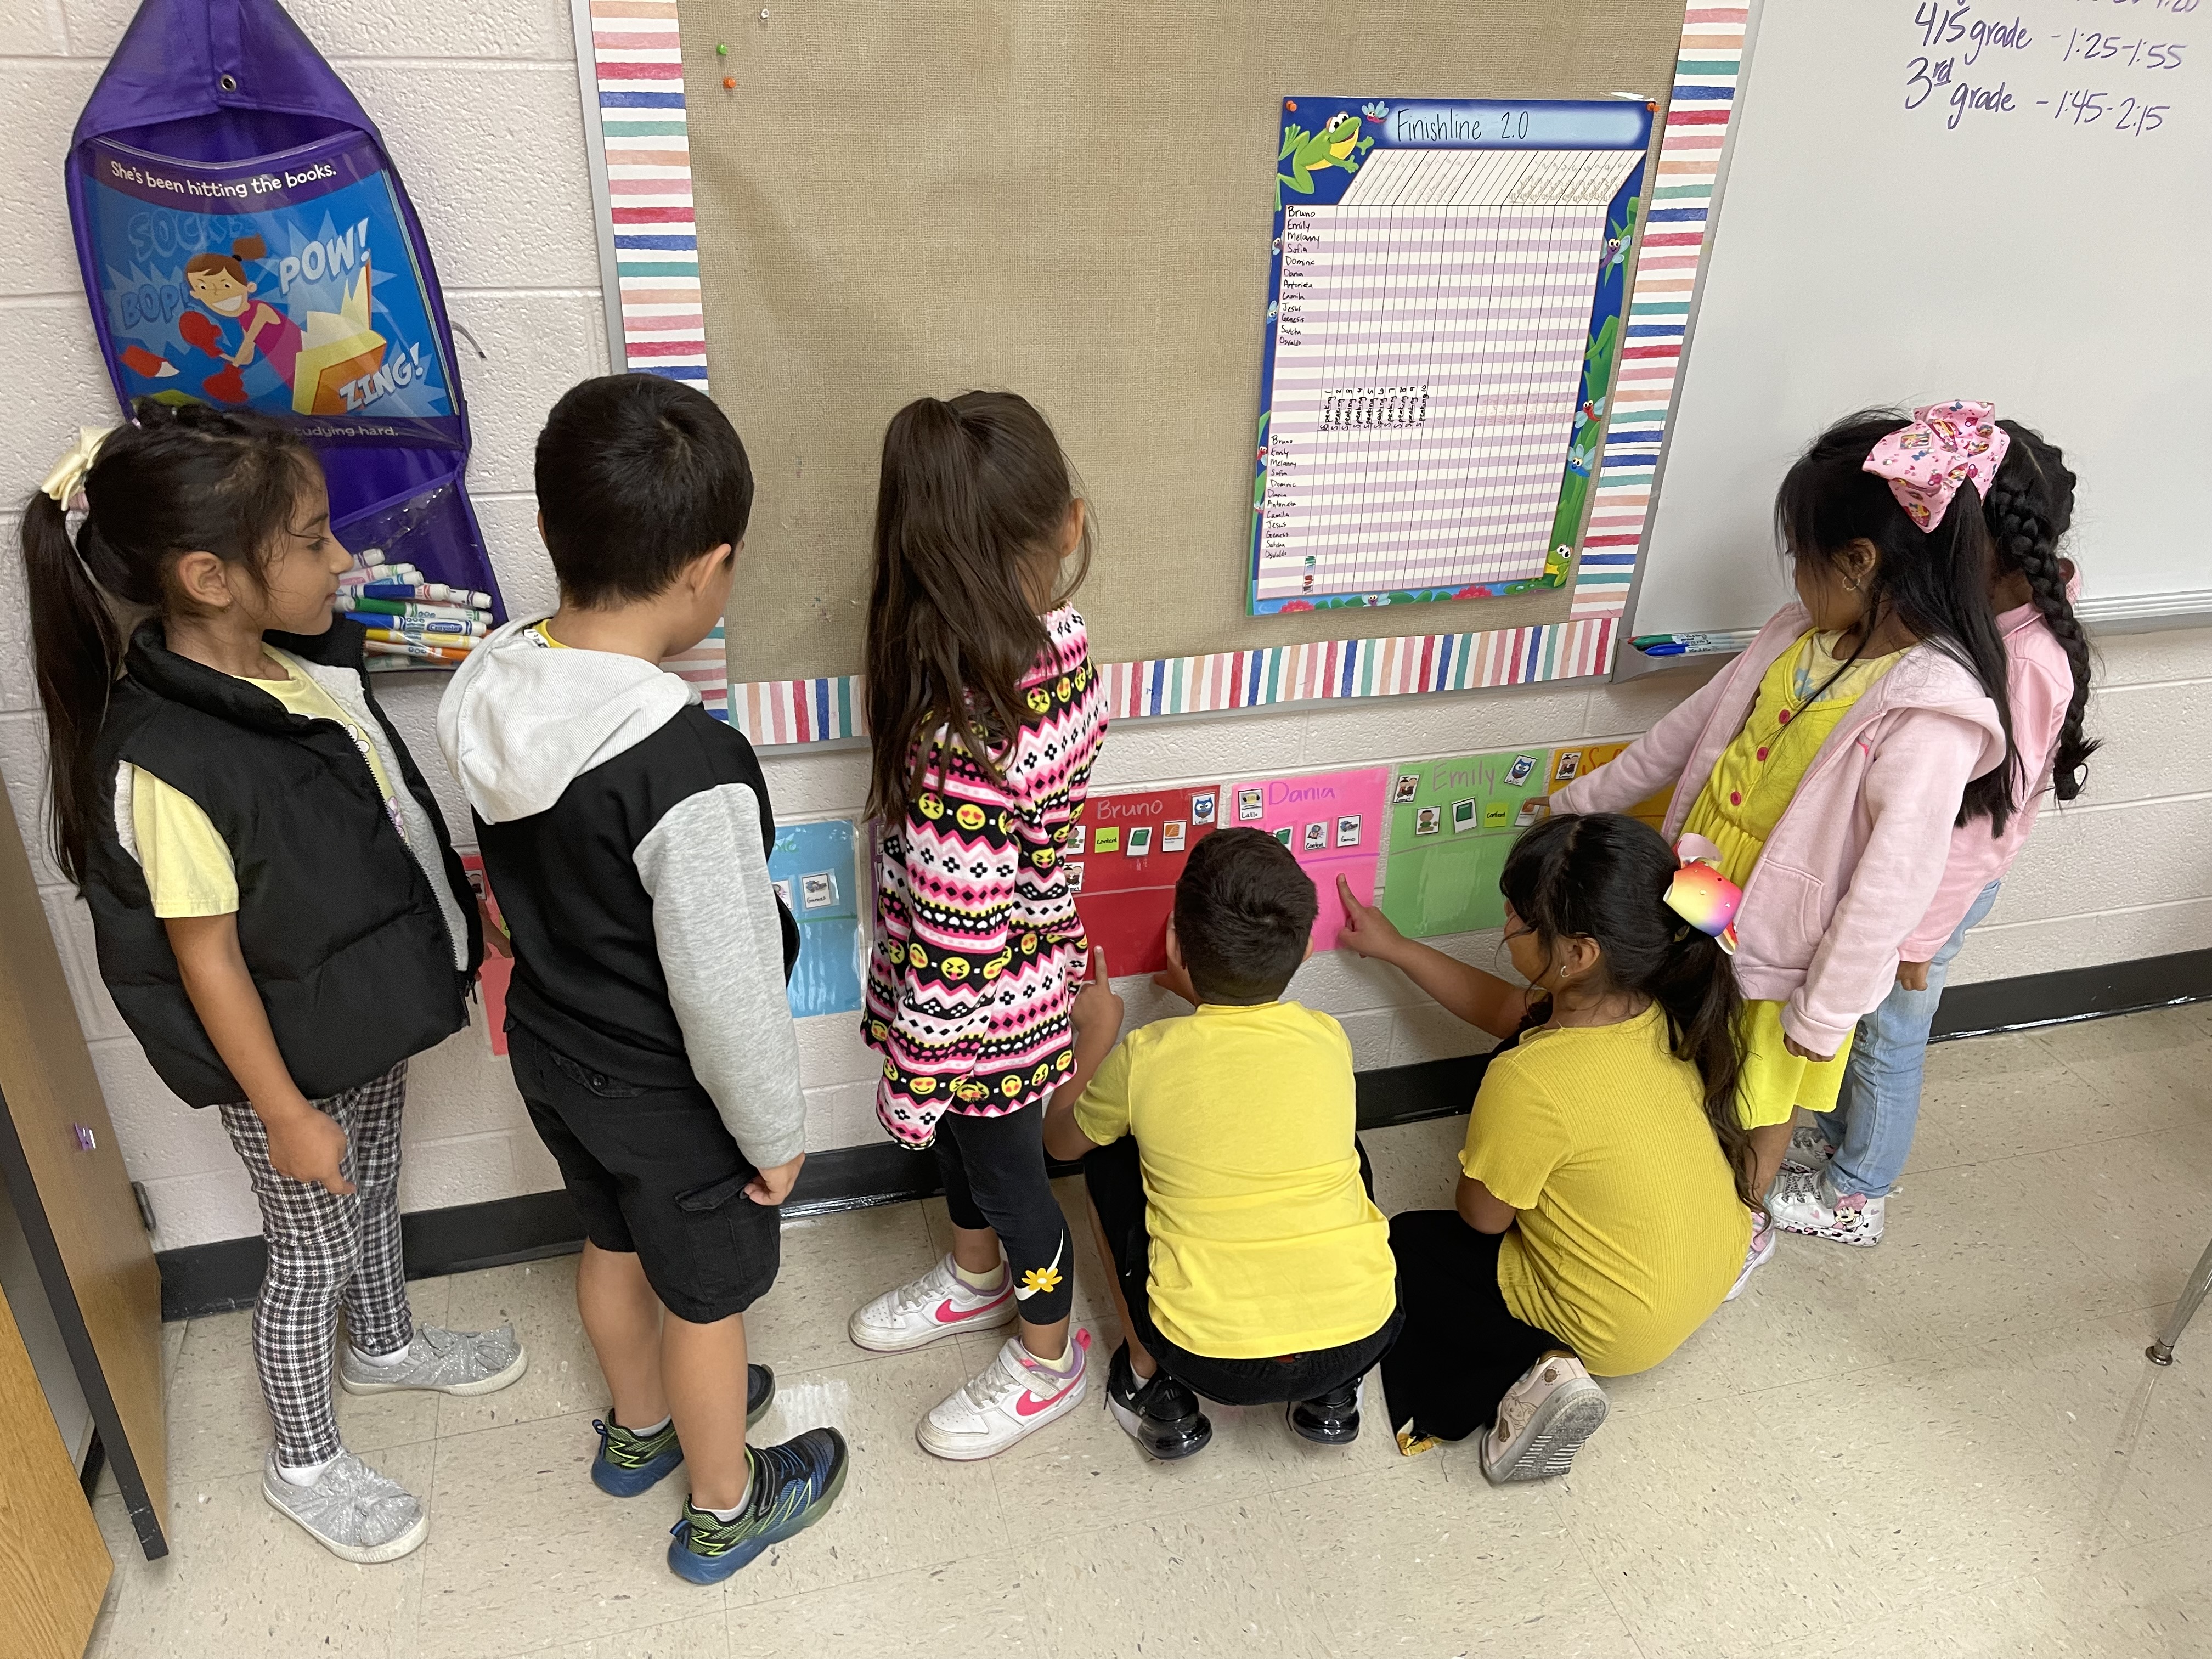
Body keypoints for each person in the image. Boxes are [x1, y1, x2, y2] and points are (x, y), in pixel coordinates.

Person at [20, 404, 523, 1563]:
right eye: (310, 539)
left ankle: (387, 1344)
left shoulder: (295, 672)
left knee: (379, 1182)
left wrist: (464, 909)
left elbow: (378, 816)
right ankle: (304, 1459)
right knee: (310, 1254)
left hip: (356, 1013)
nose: (340, 558)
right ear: (209, 577)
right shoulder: (167, 762)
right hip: (283, 1064)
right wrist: (288, 1115)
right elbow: (205, 963)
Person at [437, 374, 845, 1583]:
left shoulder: (494, 680)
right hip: (667, 1091)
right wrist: (774, 1135)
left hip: (554, 1052)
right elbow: (724, 993)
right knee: (707, 1303)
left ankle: (641, 1430)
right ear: (706, 570)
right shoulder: (686, 763)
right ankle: (725, 1503)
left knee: (610, 1241)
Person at [1550, 402, 2015, 1288]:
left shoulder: (1927, 708)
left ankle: (1739, 1223)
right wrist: (1578, 804)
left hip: (1792, 948)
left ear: (1859, 559)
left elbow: (1892, 882)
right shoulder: (1794, 636)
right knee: (1690, 1037)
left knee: (1761, 1096)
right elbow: (1682, 736)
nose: (1793, 575)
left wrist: (1827, 1009)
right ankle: (1675, 1178)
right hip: (1707, 886)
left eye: (1801, 556)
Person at [1336, 813, 1756, 1480]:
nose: (1505, 926)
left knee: (1405, 1247)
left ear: (1579, 953)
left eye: (1519, 918)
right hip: (1707, 1268)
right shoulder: (1654, 1006)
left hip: (1621, 1331)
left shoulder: (1530, 1080)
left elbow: (1483, 1218)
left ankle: (1533, 1375)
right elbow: (1511, 1013)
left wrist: (1497, 1159)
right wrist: (1398, 949)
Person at [847, 391, 1107, 1459]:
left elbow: (962, 949)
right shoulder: (1048, 651)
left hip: (989, 1010)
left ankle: (1049, 1358)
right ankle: (971, 1275)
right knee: (970, 1149)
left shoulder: (975, 723)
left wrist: (912, 1075)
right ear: (1069, 526)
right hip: (993, 987)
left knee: (1007, 1174)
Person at [1769, 419, 2096, 1244]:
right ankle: (1844, 1144)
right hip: (1920, 883)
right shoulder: (1993, 625)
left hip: (1938, 897)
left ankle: (1857, 1192)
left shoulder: (2024, 664)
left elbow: (1987, 829)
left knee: (1887, 1039)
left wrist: (1917, 935)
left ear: (1978, 547)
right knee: (1870, 1031)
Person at [1040, 829, 1402, 1459]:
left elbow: (1060, 1142)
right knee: (1346, 1153)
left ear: (1175, 944)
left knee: (1106, 1153)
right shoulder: (1327, 1037)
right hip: (1364, 1335)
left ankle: (1149, 1384)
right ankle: (1333, 1395)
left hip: (1207, 1357)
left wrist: (1096, 1035)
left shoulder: (1147, 1056)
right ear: (1306, 948)